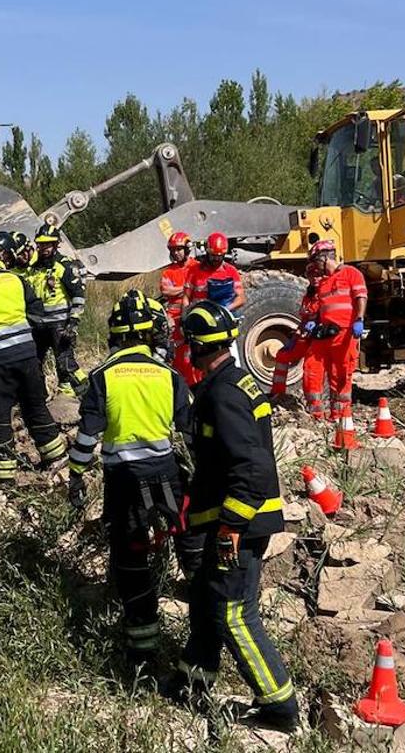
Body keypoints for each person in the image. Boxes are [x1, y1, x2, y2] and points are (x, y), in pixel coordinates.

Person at [168, 300, 298, 729]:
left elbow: (251, 467)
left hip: (239, 523)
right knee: (206, 603)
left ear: (194, 347)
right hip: (230, 519)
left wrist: (230, 527)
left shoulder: (223, 393)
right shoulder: (234, 382)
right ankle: (193, 681)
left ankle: (278, 704)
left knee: (234, 613)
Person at [67, 290, 199, 669]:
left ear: (115, 334)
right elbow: (189, 435)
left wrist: (76, 477)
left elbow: (86, 439)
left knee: (131, 556)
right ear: (147, 334)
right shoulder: (169, 376)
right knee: (188, 543)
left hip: (124, 482)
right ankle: (206, 615)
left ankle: (142, 649)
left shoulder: (102, 377)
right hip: (165, 476)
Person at [0, 236, 66, 486]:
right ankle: (57, 458)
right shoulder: (15, 278)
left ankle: (3, 477)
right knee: (35, 407)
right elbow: (37, 313)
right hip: (27, 355)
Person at [307, 239, 368, 425]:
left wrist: (359, 319)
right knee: (313, 370)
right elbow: (322, 307)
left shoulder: (351, 274)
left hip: (345, 333)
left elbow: (360, 296)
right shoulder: (324, 283)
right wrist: (313, 323)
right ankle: (317, 415)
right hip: (326, 333)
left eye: (316, 261)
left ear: (324, 258)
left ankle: (341, 415)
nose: (315, 267)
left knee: (341, 374)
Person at [25, 223, 88, 397]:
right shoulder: (33, 268)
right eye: (41, 244)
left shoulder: (64, 266)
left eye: (48, 244)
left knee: (65, 363)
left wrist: (73, 322)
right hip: (36, 326)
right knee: (34, 363)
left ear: (56, 244)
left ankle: (84, 391)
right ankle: (40, 397)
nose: (44, 248)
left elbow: (78, 294)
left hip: (59, 324)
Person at [269, 264, 326, 419]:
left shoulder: (327, 292)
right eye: (312, 275)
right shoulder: (309, 294)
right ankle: (277, 393)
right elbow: (306, 317)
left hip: (320, 339)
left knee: (311, 371)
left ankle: (316, 412)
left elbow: (330, 316)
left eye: (318, 275)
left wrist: (317, 324)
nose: (315, 278)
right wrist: (297, 335)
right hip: (306, 335)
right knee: (282, 356)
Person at [186, 232, 247, 379]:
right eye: (213, 256)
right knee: (200, 362)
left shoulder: (230, 271)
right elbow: (186, 298)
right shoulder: (194, 272)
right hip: (200, 325)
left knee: (230, 358)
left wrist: (223, 311)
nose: (216, 259)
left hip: (222, 325)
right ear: (207, 252)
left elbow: (241, 297)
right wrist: (184, 318)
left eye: (220, 256)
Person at [159, 231, 199, 385]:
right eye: (173, 250)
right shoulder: (169, 271)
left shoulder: (196, 267)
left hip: (193, 315)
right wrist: (187, 287)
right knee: (176, 354)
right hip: (173, 317)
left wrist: (180, 289)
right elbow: (166, 290)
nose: (175, 253)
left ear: (187, 248)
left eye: (179, 249)